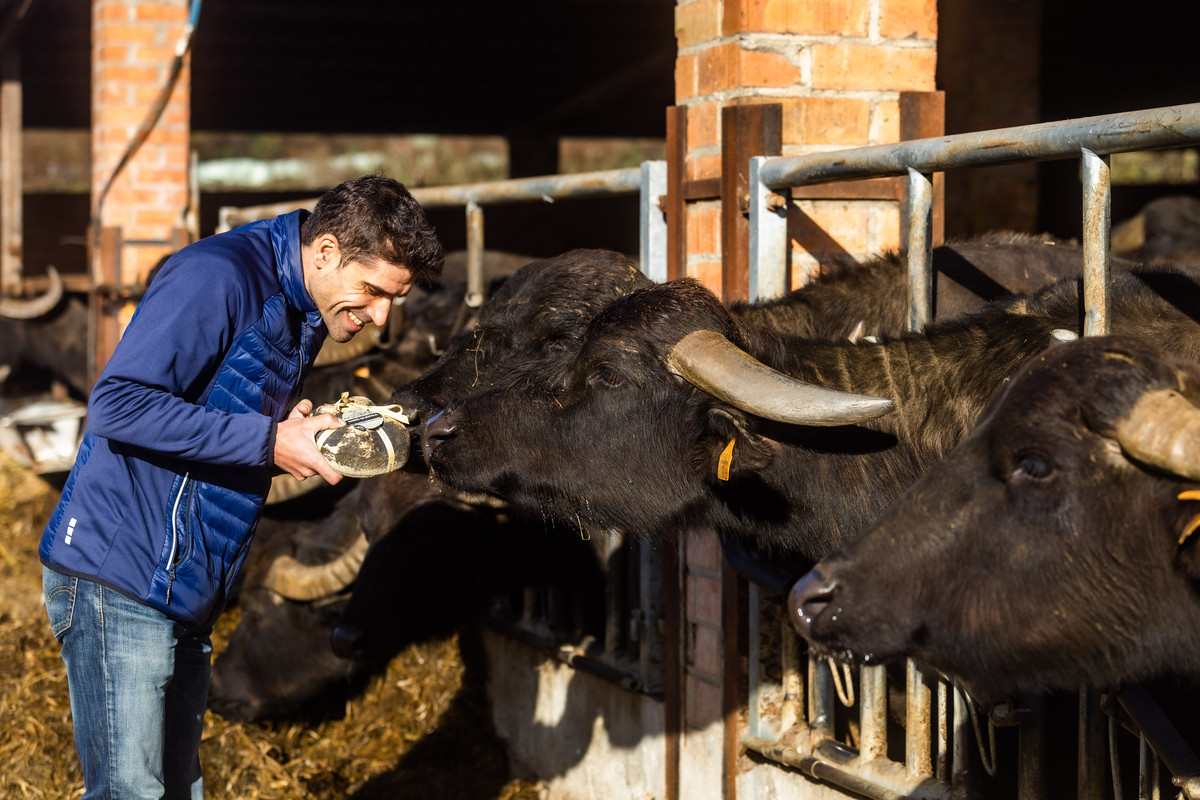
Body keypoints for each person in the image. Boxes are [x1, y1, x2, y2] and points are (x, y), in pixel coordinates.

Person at [39, 174, 444, 799]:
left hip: (183, 582)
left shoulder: (301, 304)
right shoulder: (219, 277)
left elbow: (213, 413)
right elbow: (116, 405)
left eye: (394, 299)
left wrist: (293, 433)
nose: (381, 317)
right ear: (328, 251)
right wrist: (267, 443)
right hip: (118, 573)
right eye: (371, 292)